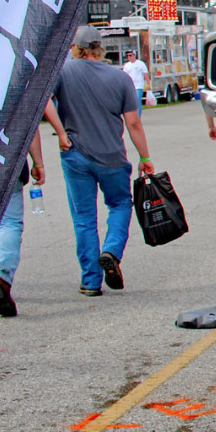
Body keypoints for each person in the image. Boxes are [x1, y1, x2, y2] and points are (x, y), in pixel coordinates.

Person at [46, 25, 155, 296]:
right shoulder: (120, 78)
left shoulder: (62, 72)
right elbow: (133, 122)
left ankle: (91, 281)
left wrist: (61, 132)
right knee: (120, 204)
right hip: (112, 157)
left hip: (75, 154)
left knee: (84, 218)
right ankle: (112, 251)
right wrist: (144, 156)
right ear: (99, 48)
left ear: (75, 48)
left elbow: (44, 101)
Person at [0, 131, 45, 317]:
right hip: (8, 159)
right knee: (8, 223)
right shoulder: (15, 98)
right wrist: (38, 162)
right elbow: (30, 125)